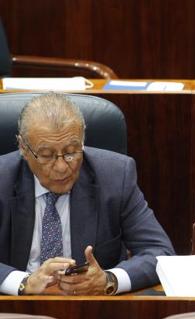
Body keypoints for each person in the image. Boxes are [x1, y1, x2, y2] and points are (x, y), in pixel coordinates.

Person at [0, 93, 175, 296]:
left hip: (93, 309)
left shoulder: (116, 175)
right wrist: (24, 283)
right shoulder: (3, 178)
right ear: (23, 147)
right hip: (15, 311)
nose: (61, 167)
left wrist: (109, 279)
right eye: (46, 155)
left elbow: (160, 252)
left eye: (71, 152)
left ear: (83, 141)